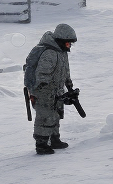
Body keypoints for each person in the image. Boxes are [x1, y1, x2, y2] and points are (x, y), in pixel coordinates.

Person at [24, 23, 77, 155]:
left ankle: (54, 139)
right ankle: (41, 144)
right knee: (45, 116)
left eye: (70, 43)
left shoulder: (62, 52)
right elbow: (42, 74)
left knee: (56, 114)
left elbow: (65, 70)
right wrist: (45, 90)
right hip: (43, 90)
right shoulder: (50, 53)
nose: (69, 45)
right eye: (67, 43)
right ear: (60, 40)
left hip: (56, 89)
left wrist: (68, 86)